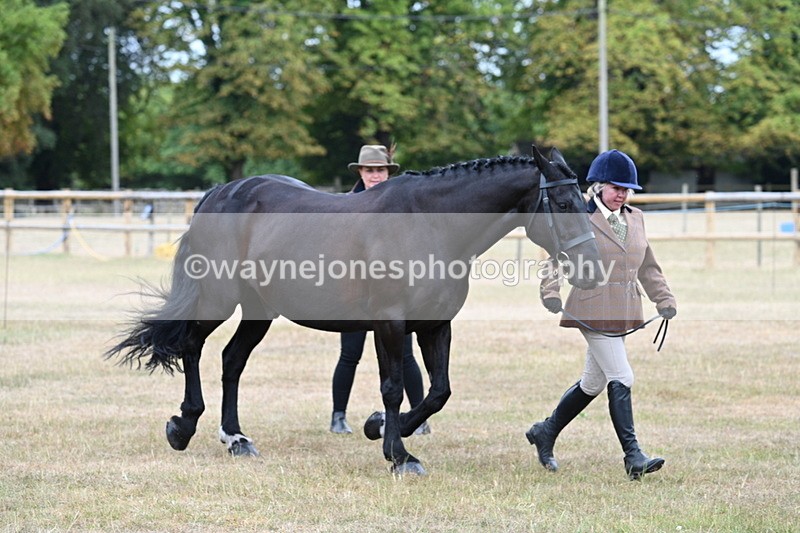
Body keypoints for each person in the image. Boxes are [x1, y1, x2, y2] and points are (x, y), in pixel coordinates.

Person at [526, 149, 677, 480]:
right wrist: (550, 292)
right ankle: (633, 456)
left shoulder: (635, 218)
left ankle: (545, 431)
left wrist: (663, 298)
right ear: (597, 186)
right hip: (591, 307)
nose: (621, 194)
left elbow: (647, 264)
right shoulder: (581, 216)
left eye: (626, 189)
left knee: (593, 382)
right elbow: (555, 257)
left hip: (624, 310)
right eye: (614, 187)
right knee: (622, 376)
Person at [330, 144, 431, 436]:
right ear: (360, 172)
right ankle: (338, 416)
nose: (375, 175)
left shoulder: (402, 208)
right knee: (350, 354)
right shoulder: (346, 206)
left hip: (393, 293)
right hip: (355, 295)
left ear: (388, 172)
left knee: (406, 355)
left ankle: (418, 415)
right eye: (369, 170)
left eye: (380, 170)